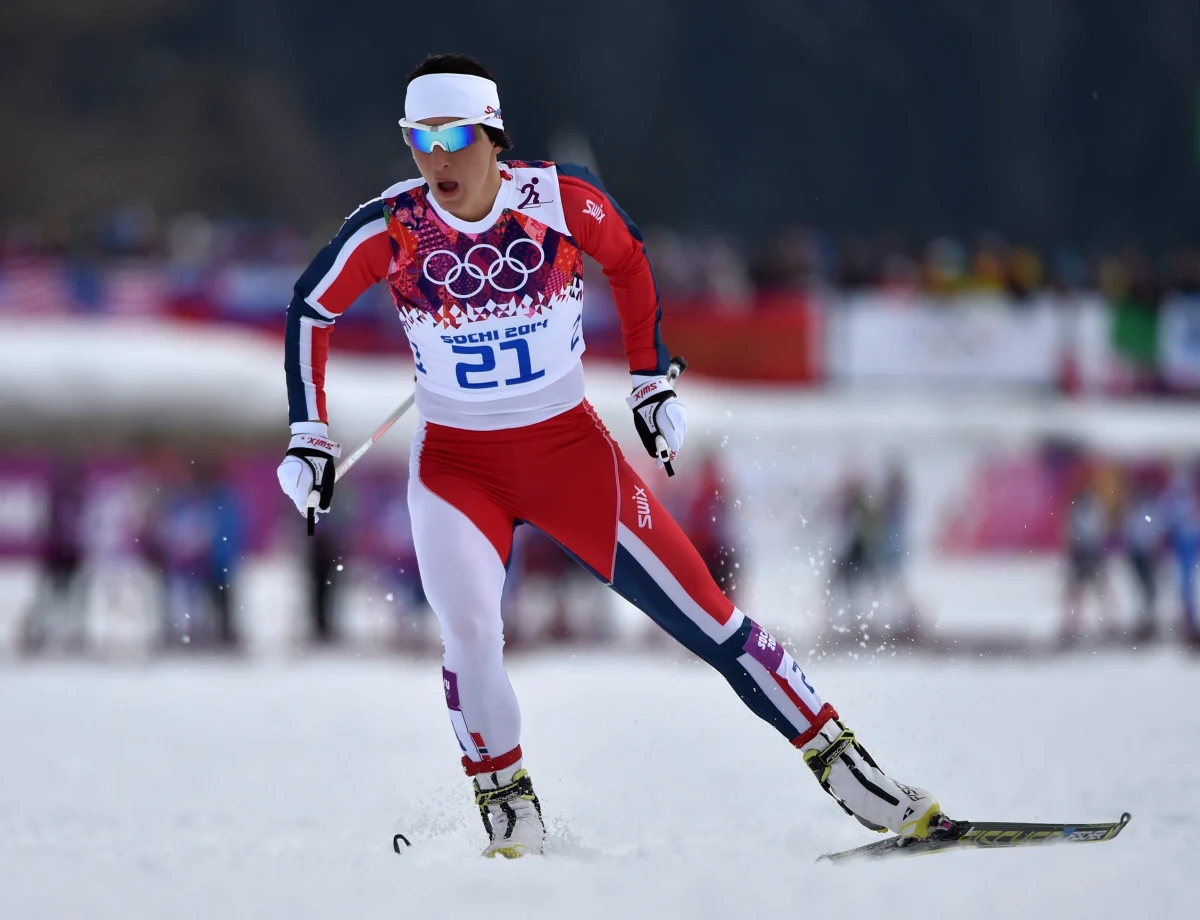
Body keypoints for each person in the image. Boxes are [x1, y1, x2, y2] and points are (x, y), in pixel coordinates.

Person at [275, 53, 944, 858]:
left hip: (568, 457)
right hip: (458, 468)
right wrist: (308, 434)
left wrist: (650, 381)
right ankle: (511, 822)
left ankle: (860, 780)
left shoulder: (560, 200)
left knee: (708, 619)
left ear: (493, 135)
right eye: (419, 138)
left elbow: (628, 263)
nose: (437, 159)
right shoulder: (393, 226)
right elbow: (312, 306)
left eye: (454, 136)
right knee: (469, 635)